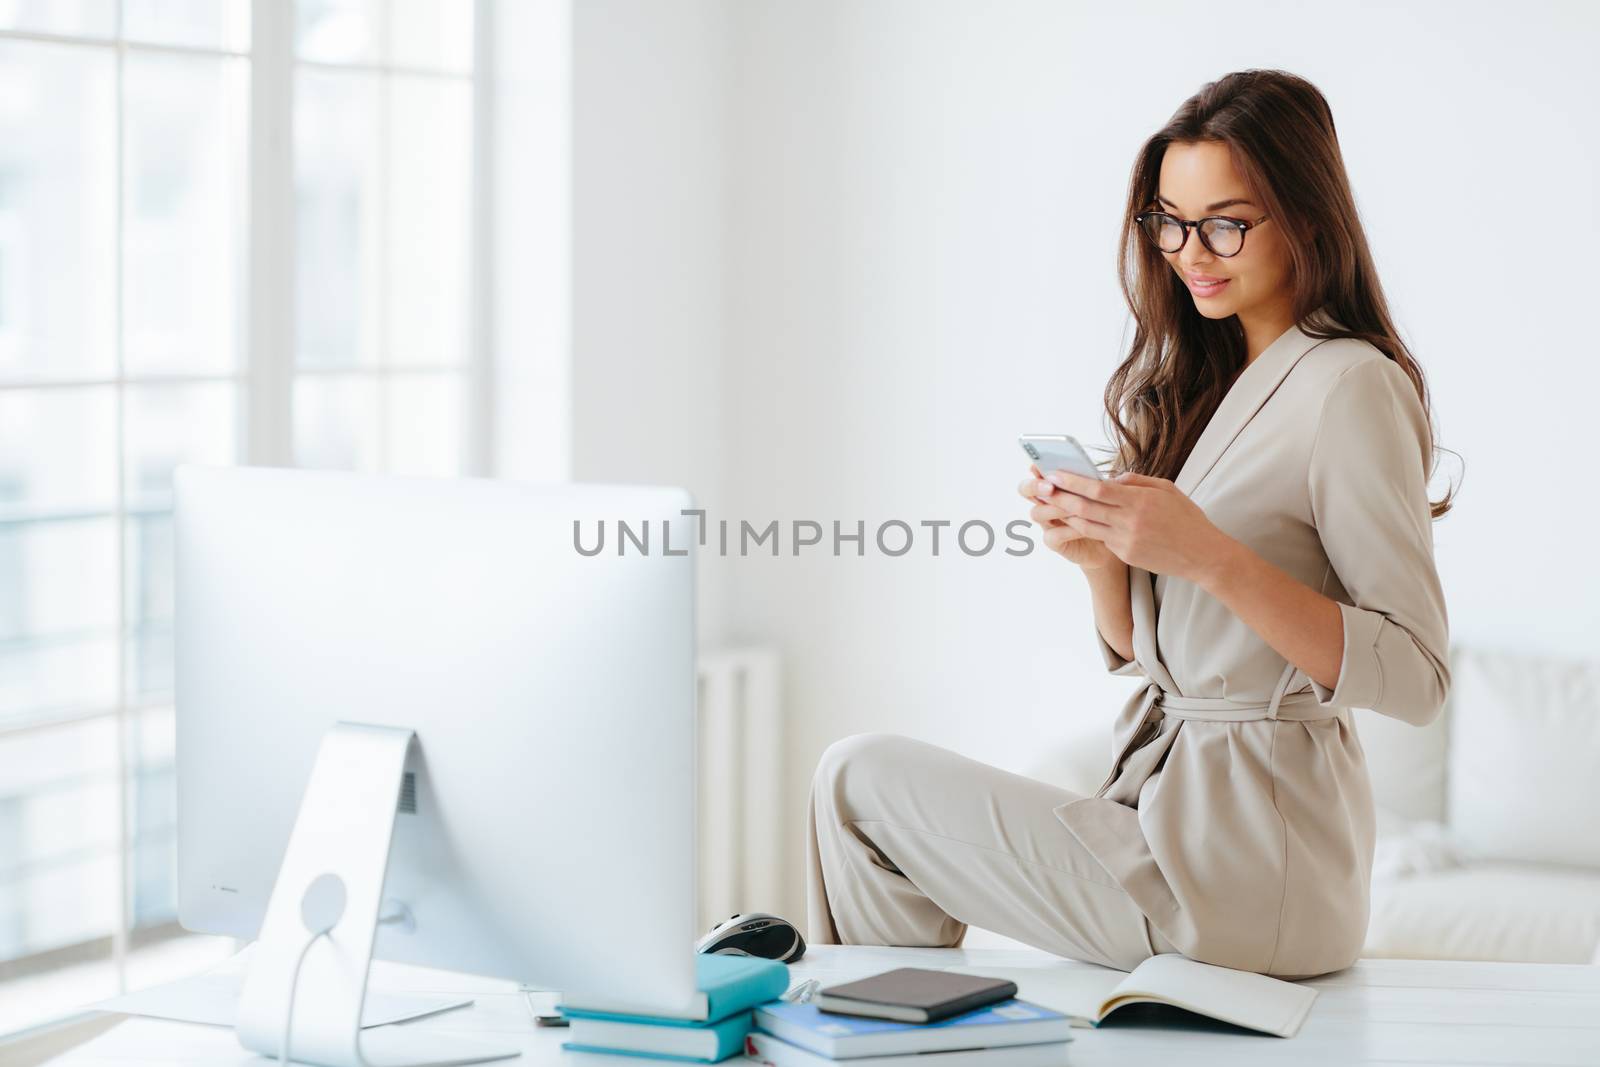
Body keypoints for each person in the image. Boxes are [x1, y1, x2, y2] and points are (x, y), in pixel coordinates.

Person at [805, 68, 1454, 980]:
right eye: (1170, 221)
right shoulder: (1206, 384)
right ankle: (893, 1026)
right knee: (860, 787)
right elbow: (1167, 658)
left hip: (1256, 868)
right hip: (1169, 824)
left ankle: (882, 1030)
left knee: (855, 779)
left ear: (1307, 217)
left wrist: (1212, 558)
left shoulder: (1351, 386)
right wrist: (1100, 564)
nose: (1193, 250)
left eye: (1227, 221)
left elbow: (1420, 677)